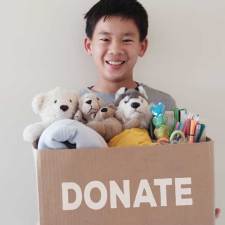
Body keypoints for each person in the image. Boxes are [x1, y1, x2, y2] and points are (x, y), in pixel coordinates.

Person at [80, 0, 220, 218]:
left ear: (142, 46)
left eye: (127, 40)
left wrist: (196, 205)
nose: (115, 49)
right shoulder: (76, 107)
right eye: (105, 39)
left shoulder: (161, 102)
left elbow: (178, 168)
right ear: (89, 45)